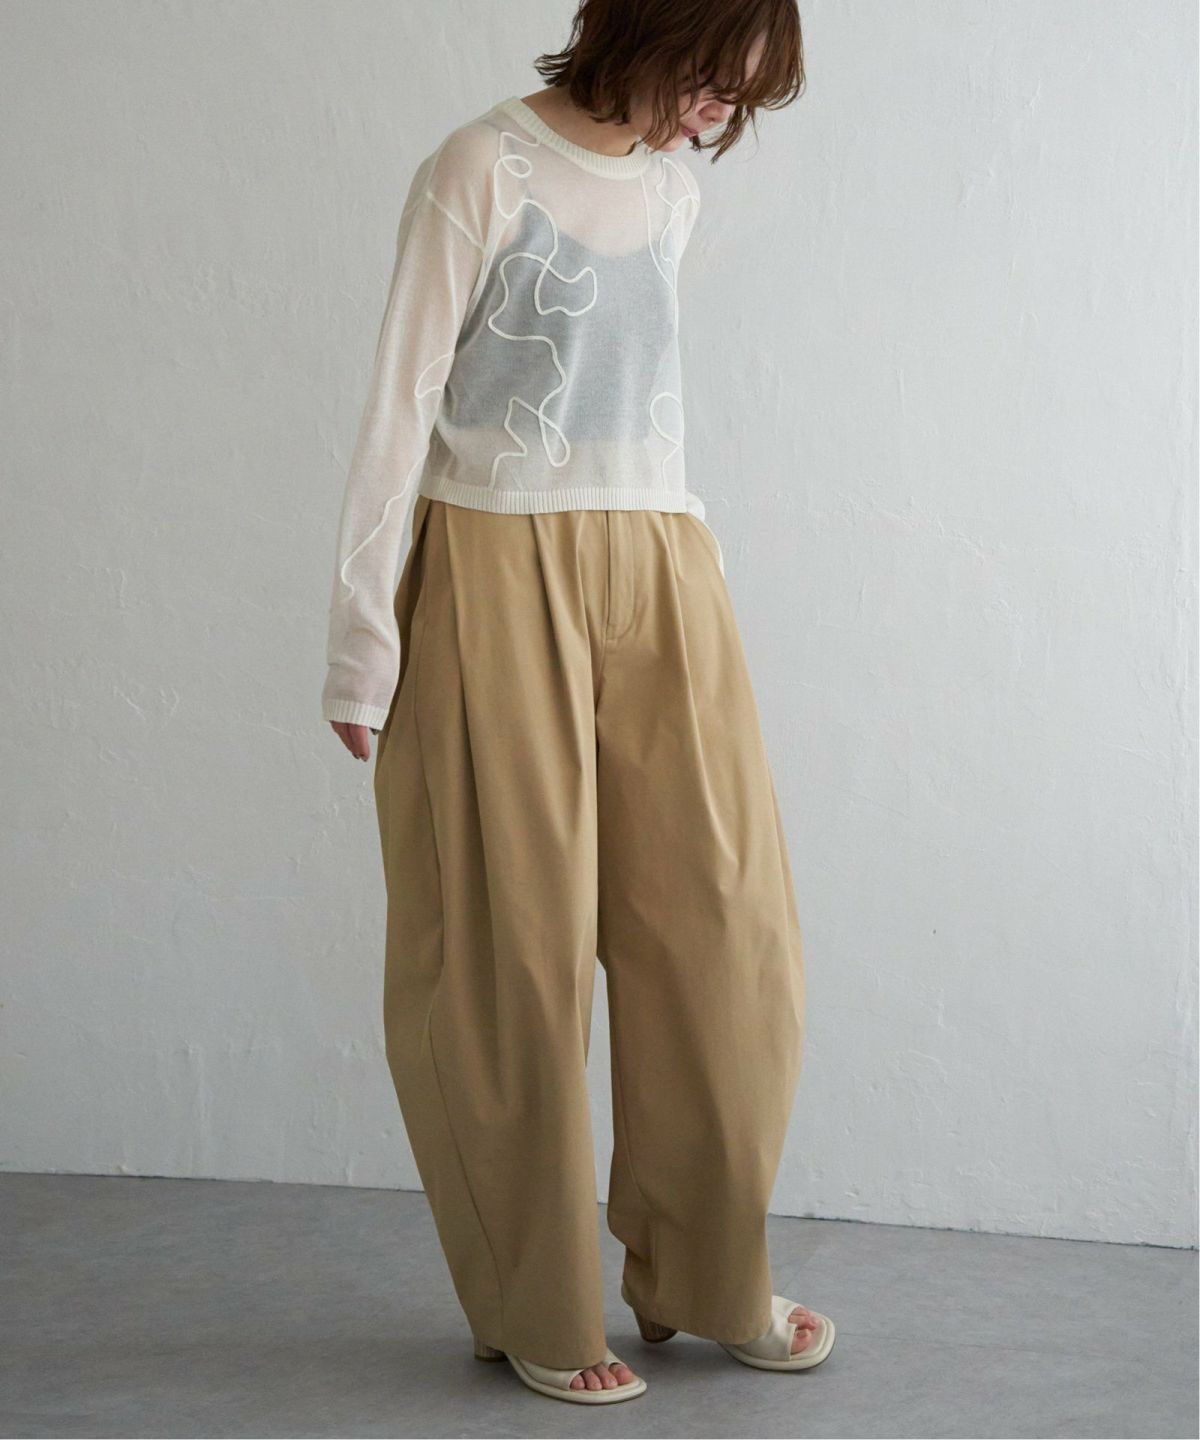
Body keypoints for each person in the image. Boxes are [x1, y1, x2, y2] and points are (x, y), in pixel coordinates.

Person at [320, 0, 834, 1406]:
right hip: (493, 564)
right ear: (649, 29)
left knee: (726, 935)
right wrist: (362, 640)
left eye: (744, 100)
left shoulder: (670, 193)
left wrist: (686, 570)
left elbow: (636, 399)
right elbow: (400, 405)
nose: (718, 119)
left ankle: (708, 1272)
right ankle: (538, 1301)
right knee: (512, 952)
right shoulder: (478, 166)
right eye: (713, 81)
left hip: (662, 564)